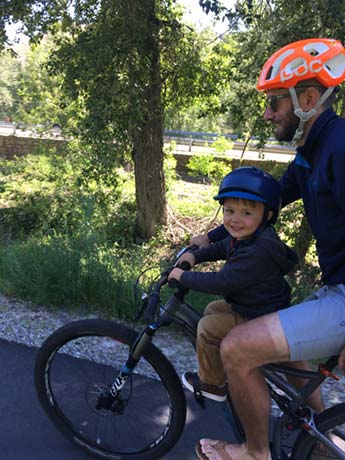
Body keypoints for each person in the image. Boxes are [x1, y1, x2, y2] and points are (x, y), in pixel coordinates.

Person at [189, 37, 345, 460]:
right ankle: (322, 439)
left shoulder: (340, 147)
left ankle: (255, 452)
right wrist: (211, 238)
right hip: (336, 288)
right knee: (286, 351)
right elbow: (261, 203)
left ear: (308, 99)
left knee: (237, 347)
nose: (267, 112)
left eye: (275, 103)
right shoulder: (313, 151)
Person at [168, 166, 297, 403]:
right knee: (213, 310)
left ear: (266, 215)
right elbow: (221, 246)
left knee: (207, 328)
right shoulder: (248, 236)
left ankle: (212, 383)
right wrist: (196, 256)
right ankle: (225, 364)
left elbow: (222, 282)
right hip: (256, 305)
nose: (235, 219)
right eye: (229, 211)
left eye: (247, 213)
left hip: (259, 315)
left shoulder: (257, 251)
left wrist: (182, 276)